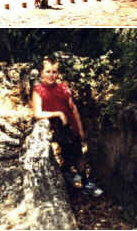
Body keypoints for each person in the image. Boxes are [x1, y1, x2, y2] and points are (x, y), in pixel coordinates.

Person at [32, 56, 103, 197]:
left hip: (71, 126)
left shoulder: (63, 87)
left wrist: (80, 129)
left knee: (78, 154)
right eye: (48, 71)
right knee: (71, 153)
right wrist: (57, 113)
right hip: (58, 128)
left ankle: (83, 181)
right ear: (41, 73)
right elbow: (37, 113)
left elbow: (73, 108)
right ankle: (74, 177)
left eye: (54, 72)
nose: (51, 75)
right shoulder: (38, 90)